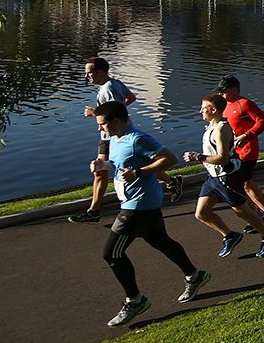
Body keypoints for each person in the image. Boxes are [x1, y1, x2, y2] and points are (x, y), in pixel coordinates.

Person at [92, 101, 211, 327]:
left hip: (139, 205)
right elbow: (119, 165)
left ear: (115, 120)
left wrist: (139, 172)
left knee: (111, 254)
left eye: (102, 124)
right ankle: (195, 276)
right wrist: (101, 165)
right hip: (137, 202)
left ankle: (135, 300)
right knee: (161, 241)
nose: (100, 129)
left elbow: (170, 158)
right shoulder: (115, 139)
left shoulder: (138, 139)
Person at [69, 58, 182, 224]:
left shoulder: (108, 89)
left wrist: (94, 113)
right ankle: (172, 181)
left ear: (100, 72)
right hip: (111, 134)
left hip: (113, 136)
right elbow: (131, 97)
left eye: (89, 72)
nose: (86, 76)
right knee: (133, 163)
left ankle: (94, 211)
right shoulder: (114, 83)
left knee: (101, 172)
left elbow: (114, 112)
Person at [183, 94, 264, 259]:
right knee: (201, 213)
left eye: (203, 108)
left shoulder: (221, 129)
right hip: (213, 177)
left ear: (213, 110)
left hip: (228, 178)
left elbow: (222, 158)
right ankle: (230, 236)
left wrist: (197, 157)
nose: (200, 111)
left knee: (242, 212)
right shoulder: (210, 127)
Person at [217, 76, 264, 228]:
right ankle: (259, 213)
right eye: (220, 91)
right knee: (239, 185)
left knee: (246, 184)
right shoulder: (225, 106)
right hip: (233, 152)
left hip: (248, 150)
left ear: (234, 89)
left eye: (223, 90)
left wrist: (247, 135)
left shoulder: (245, 104)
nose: (221, 94)